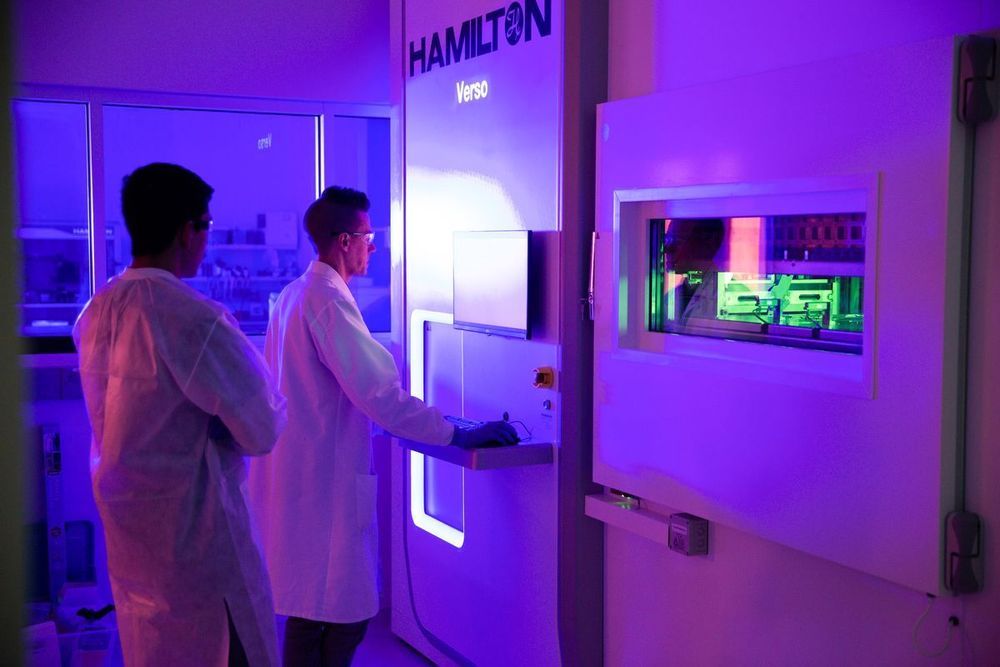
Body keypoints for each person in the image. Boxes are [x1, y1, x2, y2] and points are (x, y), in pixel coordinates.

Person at [248, 186, 516, 667]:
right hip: (323, 487)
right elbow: (380, 397)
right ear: (344, 241)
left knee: (310, 614)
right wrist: (456, 432)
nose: (373, 248)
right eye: (369, 238)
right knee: (341, 615)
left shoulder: (295, 295)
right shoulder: (326, 300)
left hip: (302, 479)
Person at [73, 163, 287, 667]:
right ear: (186, 230)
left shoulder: (96, 312)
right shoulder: (195, 319)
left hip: (134, 544)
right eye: (206, 226)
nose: (206, 240)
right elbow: (263, 427)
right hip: (201, 552)